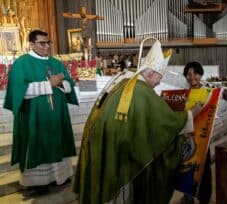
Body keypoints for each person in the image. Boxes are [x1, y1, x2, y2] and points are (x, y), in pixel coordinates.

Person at [73, 39, 202, 204]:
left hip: (101, 142)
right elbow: (166, 123)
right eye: (158, 78)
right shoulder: (142, 91)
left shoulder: (125, 80)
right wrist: (191, 114)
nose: (158, 83)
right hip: (117, 150)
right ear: (149, 74)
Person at [3, 30, 78, 194]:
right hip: (34, 116)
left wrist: (62, 84)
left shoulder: (56, 63)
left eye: (48, 43)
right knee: (37, 143)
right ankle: (38, 181)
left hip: (56, 115)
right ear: (31, 44)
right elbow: (18, 90)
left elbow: (68, 85)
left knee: (58, 142)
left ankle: (60, 176)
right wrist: (48, 84)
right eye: (42, 43)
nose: (46, 46)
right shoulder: (21, 64)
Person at [178, 61, 212, 204]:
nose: (192, 77)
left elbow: (211, 114)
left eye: (195, 73)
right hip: (187, 138)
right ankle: (188, 196)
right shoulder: (183, 94)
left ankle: (204, 198)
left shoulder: (208, 93)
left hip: (203, 137)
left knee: (203, 169)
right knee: (186, 167)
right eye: (188, 74)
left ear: (200, 74)